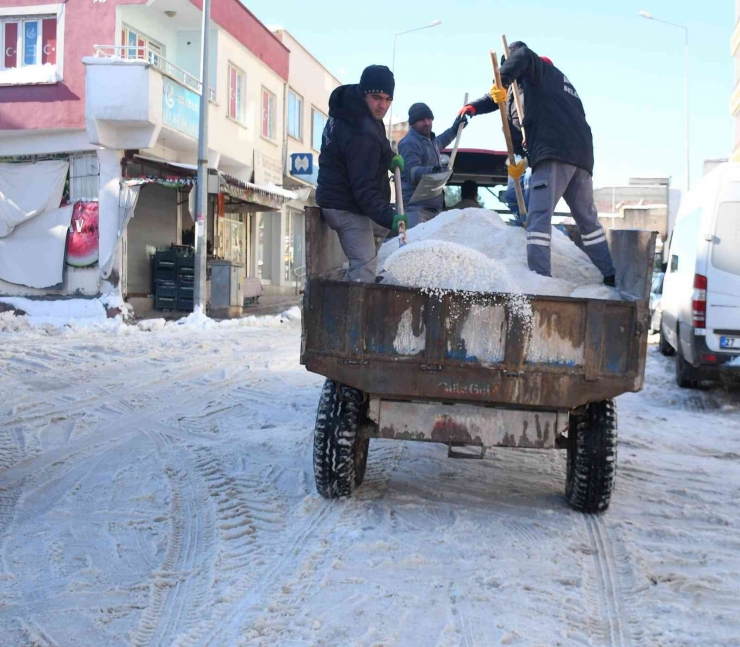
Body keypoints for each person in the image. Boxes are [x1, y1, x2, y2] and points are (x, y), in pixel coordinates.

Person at [459, 43, 616, 285]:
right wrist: (476, 107)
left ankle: (539, 281)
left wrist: (501, 78)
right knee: (588, 221)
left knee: (538, 220)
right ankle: (609, 275)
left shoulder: (535, 68)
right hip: (581, 158)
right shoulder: (558, 84)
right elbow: (502, 100)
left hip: (554, 153)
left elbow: (522, 57)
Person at [315, 65, 407, 283]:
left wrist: (388, 157)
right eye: (377, 98)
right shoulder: (358, 131)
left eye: (387, 99)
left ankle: (363, 279)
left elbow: (379, 140)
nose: (382, 105)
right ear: (365, 92)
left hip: (350, 201)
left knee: (380, 227)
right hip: (344, 206)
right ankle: (352, 311)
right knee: (364, 265)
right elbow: (364, 191)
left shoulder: (355, 108)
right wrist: (390, 217)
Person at [398, 102, 467, 227]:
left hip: (432, 207)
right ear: (412, 123)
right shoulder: (409, 143)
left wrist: (455, 129)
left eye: (429, 118)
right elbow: (412, 172)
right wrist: (435, 171)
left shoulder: (431, 141)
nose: (427, 122)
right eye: (422, 120)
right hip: (415, 208)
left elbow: (441, 141)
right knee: (416, 245)